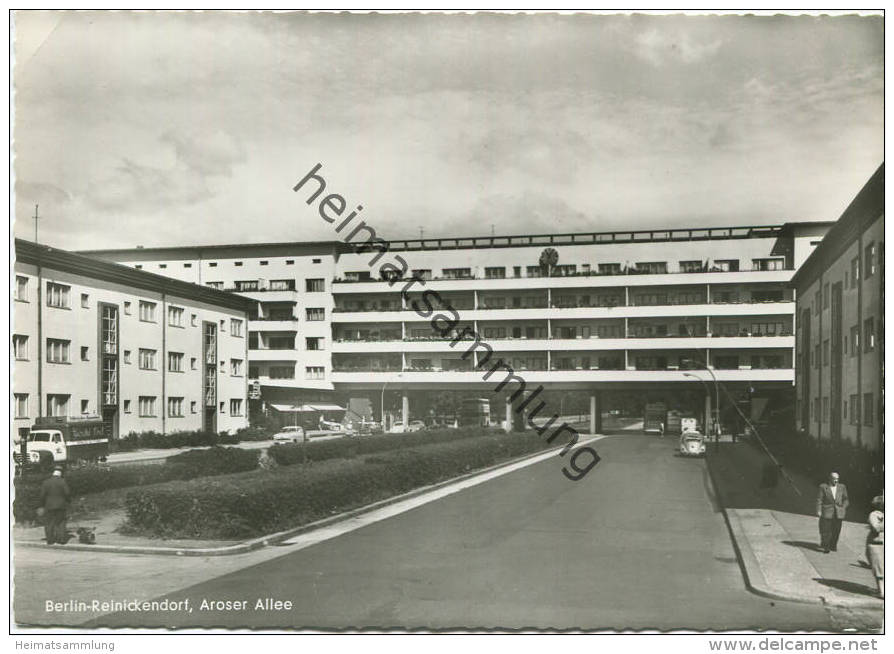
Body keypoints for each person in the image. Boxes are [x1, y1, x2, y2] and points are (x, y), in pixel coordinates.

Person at [816, 471, 849, 553]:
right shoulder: (823, 487)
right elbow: (819, 499)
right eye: (834, 479)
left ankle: (833, 545)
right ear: (830, 479)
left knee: (836, 530)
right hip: (827, 511)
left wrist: (843, 507)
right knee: (826, 530)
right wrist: (819, 510)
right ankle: (826, 546)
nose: (836, 481)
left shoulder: (842, 487)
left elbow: (846, 499)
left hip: (838, 513)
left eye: (837, 479)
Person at [39, 465, 71, 545]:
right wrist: (68, 501)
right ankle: (61, 540)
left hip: (49, 506)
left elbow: (42, 495)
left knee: (49, 523)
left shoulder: (46, 482)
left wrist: (42, 505)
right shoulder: (62, 481)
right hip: (61, 506)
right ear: (61, 473)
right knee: (61, 522)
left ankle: (50, 540)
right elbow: (67, 493)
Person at [866, 495, 884, 598]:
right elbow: (876, 528)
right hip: (876, 545)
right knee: (879, 569)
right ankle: (882, 591)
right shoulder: (873, 515)